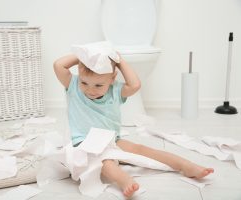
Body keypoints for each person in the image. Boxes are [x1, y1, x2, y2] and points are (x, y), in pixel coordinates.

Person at [53, 53, 214, 198]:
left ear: (112, 78)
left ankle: (186, 166)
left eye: (98, 85)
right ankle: (124, 180)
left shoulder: (115, 91)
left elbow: (135, 84)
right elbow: (58, 65)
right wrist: (84, 55)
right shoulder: (73, 86)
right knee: (105, 163)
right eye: (85, 83)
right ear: (79, 77)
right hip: (85, 143)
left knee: (141, 150)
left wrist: (119, 60)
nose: (90, 90)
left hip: (112, 140)